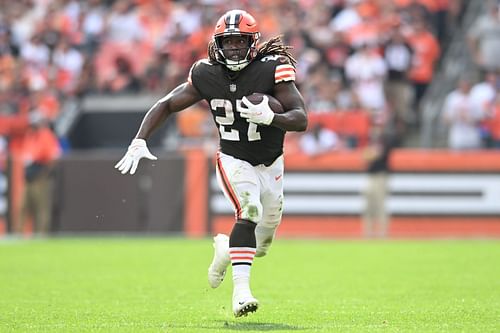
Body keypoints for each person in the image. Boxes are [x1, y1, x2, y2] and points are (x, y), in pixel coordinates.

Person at [114, 9, 307, 317]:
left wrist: (273, 117)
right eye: (227, 41)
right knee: (249, 211)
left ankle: (225, 250)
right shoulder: (206, 73)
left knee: (263, 243)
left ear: (252, 43)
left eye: (238, 41)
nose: (232, 47)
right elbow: (167, 104)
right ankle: (241, 294)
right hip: (233, 157)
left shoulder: (272, 68)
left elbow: (301, 119)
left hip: (271, 163)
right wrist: (140, 138)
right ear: (217, 43)